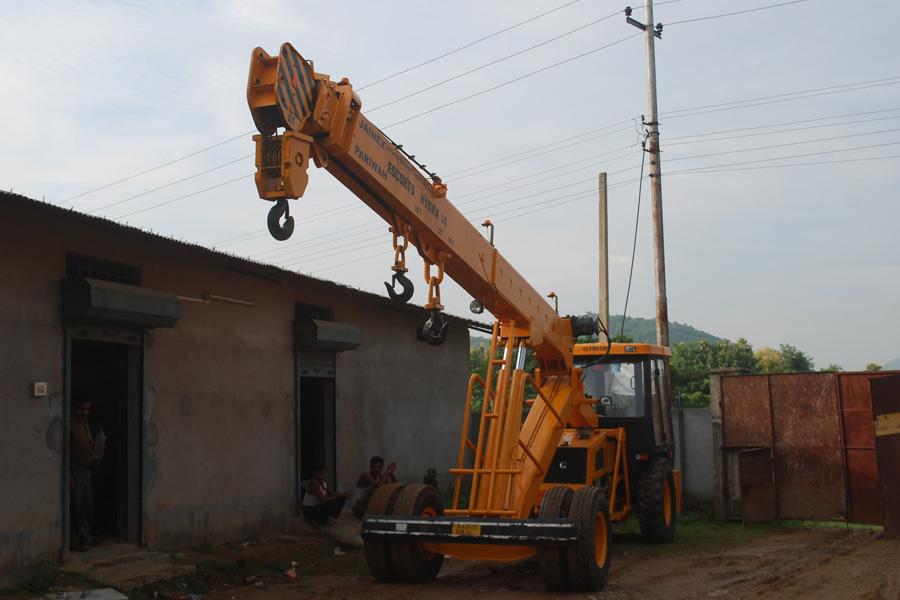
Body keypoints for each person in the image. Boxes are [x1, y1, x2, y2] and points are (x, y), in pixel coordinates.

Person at [69, 396, 95, 551]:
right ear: (74, 407)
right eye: (81, 409)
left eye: (87, 409)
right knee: (75, 506)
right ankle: (73, 539)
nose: (84, 413)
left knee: (87, 505)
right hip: (75, 470)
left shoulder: (84, 422)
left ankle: (85, 536)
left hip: (86, 469)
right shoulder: (70, 424)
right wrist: (69, 475)